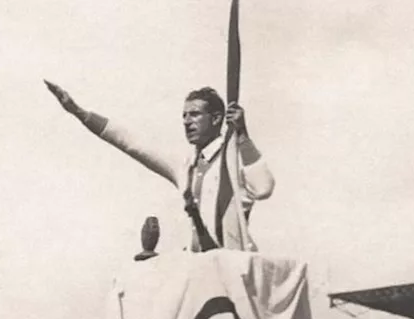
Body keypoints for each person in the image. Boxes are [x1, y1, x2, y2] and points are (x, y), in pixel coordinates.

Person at [45, 81, 274, 252]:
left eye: (195, 114)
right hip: (198, 271)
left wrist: (243, 135)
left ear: (216, 119)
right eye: (184, 115)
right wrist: (79, 113)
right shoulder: (185, 166)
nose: (186, 121)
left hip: (235, 272)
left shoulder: (233, 158)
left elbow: (263, 188)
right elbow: (132, 144)